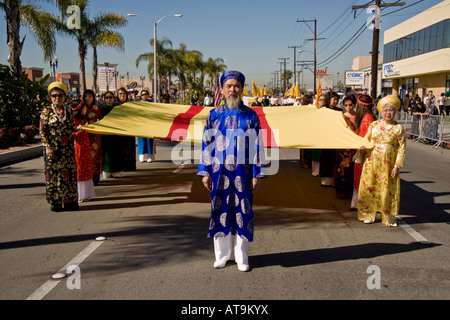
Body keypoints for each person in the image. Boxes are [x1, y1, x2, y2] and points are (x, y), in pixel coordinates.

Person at [197, 70, 265, 272]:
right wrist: (205, 171)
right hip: (219, 175)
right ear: (222, 90)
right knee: (220, 212)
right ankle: (222, 255)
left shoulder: (251, 115)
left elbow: (258, 146)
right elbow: (206, 144)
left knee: (243, 213)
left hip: (243, 175)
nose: (233, 90)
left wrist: (257, 173)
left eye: (236, 86)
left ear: (242, 89)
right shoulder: (213, 115)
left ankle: (241, 256)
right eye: (229, 86)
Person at [357, 96, 406, 227]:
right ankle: (368, 213)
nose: (388, 113)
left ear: (395, 112)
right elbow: (366, 139)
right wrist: (362, 147)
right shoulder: (374, 124)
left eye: (391, 110)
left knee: (387, 189)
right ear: (381, 112)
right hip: (371, 162)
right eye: (385, 110)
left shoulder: (398, 128)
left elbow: (402, 148)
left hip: (388, 164)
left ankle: (387, 216)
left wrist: (397, 166)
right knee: (370, 187)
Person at [40, 82, 78, 212]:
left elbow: (71, 126)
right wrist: (48, 147)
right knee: (54, 176)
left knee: (69, 175)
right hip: (53, 150)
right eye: (54, 96)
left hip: (67, 148)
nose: (57, 98)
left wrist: (78, 128)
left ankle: (69, 202)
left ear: (64, 96)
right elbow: (43, 131)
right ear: (50, 97)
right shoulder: (47, 111)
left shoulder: (68, 110)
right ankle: (55, 202)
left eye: (60, 95)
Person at [351, 94, 376, 209]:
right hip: (363, 150)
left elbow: (366, 137)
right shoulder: (368, 117)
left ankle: (360, 203)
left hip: (365, 152)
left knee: (362, 178)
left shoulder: (367, 119)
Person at [71, 98, 95, 202]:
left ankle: (87, 194)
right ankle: (80, 195)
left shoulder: (83, 119)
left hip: (85, 147)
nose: (86, 108)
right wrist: (79, 129)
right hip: (78, 148)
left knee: (87, 168)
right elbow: (71, 134)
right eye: (84, 107)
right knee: (80, 169)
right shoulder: (73, 121)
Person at [334, 94, 356, 199]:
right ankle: (341, 190)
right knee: (341, 168)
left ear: (354, 105)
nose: (348, 107)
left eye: (350, 105)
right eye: (346, 105)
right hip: (342, 147)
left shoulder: (359, 117)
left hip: (354, 147)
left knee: (352, 169)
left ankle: (351, 191)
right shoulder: (341, 116)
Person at [319, 92, 342, 187]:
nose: (335, 101)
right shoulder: (323, 110)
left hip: (336, 137)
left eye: (337, 99)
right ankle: (325, 180)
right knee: (325, 158)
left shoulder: (339, 110)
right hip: (325, 137)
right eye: (334, 99)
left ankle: (333, 180)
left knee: (334, 159)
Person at [101, 91, 125, 178]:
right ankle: (107, 170)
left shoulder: (118, 108)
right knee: (107, 154)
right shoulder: (102, 109)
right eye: (106, 97)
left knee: (117, 153)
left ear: (114, 98)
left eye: (110, 97)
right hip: (106, 135)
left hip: (116, 134)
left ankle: (117, 171)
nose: (108, 99)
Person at [82, 89, 103, 185]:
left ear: (93, 97)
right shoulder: (80, 108)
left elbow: (103, 119)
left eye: (90, 96)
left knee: (96, 156)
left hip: (95, 136)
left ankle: (96, 178)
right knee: (86, 157)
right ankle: (86, 177)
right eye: (86, 96)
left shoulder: (96, 108)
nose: (88, 98)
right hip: (84, 135)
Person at [117, 87, 137, 172]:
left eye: (124, 93)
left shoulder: (131, 106)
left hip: (129, 130)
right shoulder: (115, 106)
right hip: (118, 131)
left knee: (130, 148)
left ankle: (130, 166)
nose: (122, 95)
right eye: (120, 93)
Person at [137, 90, 157, 162]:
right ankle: (142, 157)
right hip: (141, 125)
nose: (144, 96)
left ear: (148, 95)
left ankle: (150, 156)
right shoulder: (138, 105)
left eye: (145, 94)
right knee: (141, 141)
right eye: (142, 94)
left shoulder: (152, 104)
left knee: (149, 140)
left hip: (150, 125)